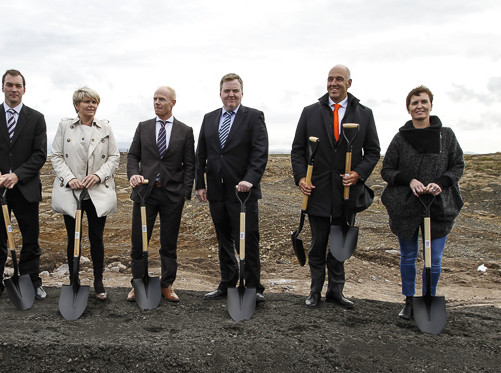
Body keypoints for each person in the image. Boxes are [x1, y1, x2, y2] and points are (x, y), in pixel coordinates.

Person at [291, 64, 380, 309]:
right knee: (318, 244)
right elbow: (298, 150)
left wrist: (358, 173)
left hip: (346, 193)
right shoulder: (310, 112)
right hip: (317, 191)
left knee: (340, 246)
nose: (333, 83)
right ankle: (315, 291)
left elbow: (373, 151)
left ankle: (336, 292)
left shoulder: (364, 114)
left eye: (339, 79)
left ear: (349, 83)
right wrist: (301, 178)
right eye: (330, 79)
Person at [381, 85, 464, 320]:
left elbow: (457, 165)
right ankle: (409, 301)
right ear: (408, 109)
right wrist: (410, 181)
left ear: (431, 106)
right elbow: (387, 170)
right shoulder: (400, 138)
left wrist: (442, 182)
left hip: (439, 207)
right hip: (406, 206)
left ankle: (429, 299)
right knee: (408, 256)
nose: (419, 106)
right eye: (415, 102)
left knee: (433, 258)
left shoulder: (446, 135)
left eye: (424, 102)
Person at [0, 69, 47, 302]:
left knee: (31, 240)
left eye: (18, 85)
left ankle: (32, 282)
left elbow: (39, 155)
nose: (13, 89)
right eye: (9, 85)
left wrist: (17, 175)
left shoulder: (36, 118)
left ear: (24, 89)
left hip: (25, 189)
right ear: (3, 87)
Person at [196, 73, 269, 302]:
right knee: (224, 240)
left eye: (235, 90)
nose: (231, 94)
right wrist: (200, 184)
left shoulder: (254, 117)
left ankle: (252, 287)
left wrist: (250, 179)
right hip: (216, 191)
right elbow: (201, 154)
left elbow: (260, 153)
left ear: (242, 93)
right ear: (220, 94)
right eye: (227, 91)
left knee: (247, 240)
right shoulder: (209, 118)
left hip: (242, 193)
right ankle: (227, 283)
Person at [126, 86, 195, 302]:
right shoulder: (143, 127)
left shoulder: (185, 131)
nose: (157, 102)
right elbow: (132, 156)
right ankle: (138, 284)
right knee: (139, 240)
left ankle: (167, 285)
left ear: (173, 103)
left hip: (172, 196)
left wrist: (184, 191)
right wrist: (133, 176)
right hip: (145, 194)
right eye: (155, 99)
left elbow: (190, 164)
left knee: (169, 242)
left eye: (162, 99)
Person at [51, 87, 120, 301]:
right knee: (74, 238)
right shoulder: (65, 126)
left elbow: (114, 157)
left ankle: (98, 281)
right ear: (77, 106)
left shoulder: (105, 127)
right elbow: (56, 155)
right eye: (87, 102)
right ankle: (74, 280)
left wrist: (99, 176)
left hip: (97, 192)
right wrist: (69, 178)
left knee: (96, 238)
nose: (91, 105)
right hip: (72, 192)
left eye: (95, 102)